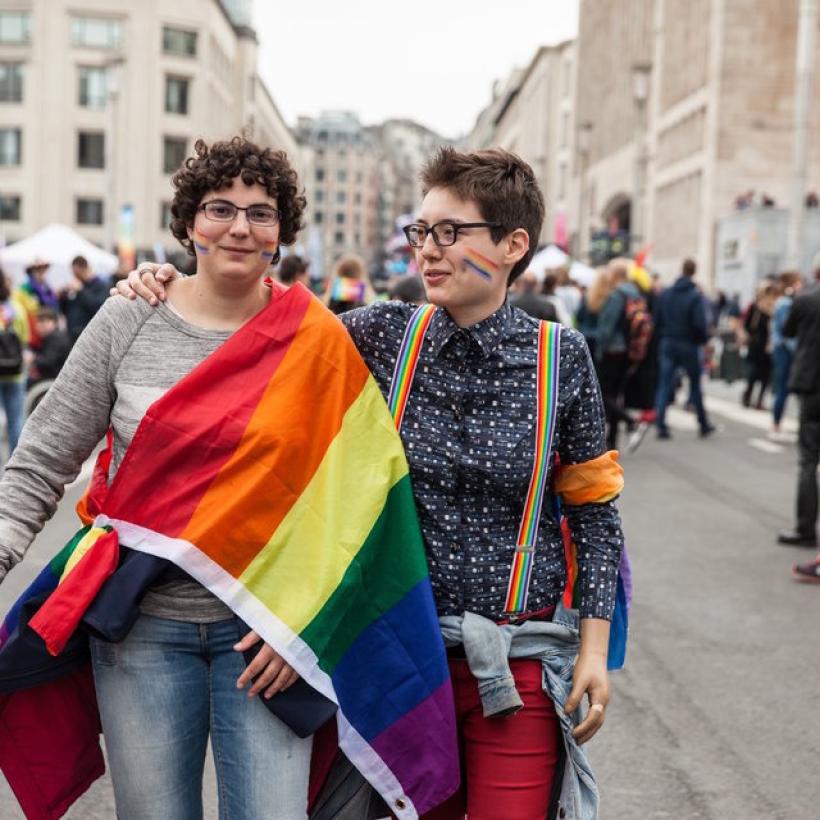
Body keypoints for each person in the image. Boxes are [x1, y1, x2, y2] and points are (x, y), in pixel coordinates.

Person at [118, 146, 627, 820]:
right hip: (401, 658)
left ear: (513, 244)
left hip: (517, 661)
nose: (428, 251)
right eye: (422, 232)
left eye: (451, 233)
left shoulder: (564, 359)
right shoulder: (383, 334)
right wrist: (167, 279)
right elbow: (260, 320)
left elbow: (595, 515)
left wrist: (594, 651)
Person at [0, 138, 318, 818]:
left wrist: (303, 625)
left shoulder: (314, 340)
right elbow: (43, 458)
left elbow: (340, 502)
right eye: (219, 208)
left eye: (261, 213)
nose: (239, 226)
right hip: (139, 631)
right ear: (188, 224)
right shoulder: (129, 317)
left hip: (264, 632)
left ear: (282, 234)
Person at [780, 254, 820, 554]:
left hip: (812, 383)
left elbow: (787, 331)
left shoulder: (805, 300)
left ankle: (805, 528)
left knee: (808, 459)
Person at [654, 258, 715, 439]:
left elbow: (656, 320)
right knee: (695, 384)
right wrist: (702, 340)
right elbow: (700, 324)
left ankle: (661, 423)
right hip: (688, 343)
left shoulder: (666, 294)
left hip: (668, 341)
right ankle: (702, 423)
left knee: (664, 384)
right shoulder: (695, 296)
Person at [595, 259, 639, 450]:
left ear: (615, 275)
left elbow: (607, 329)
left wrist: (598, 349)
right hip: (627, 350)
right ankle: (611, 439)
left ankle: (630, 420)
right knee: (615, 394)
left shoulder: (616, 296)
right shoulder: (635, 294)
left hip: (612, 350)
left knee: (604, 393)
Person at [0, 270, 28, 459]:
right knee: (16, 419)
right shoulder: (16, 308)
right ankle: (14, 464)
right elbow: (25, 337)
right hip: (15, 371)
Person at [770, 271, 802, 436]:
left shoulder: (784, 302)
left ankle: (778, 423)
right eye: (798, 282)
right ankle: (776, 423)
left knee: (786, 387)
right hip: (785, 350)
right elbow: (786, 332)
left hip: (784, 349)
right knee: (784, 387)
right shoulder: (784, 303)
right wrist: (798, 349)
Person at [741, 282, 776, 409]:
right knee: (754, 373)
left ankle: (760, 400)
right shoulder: (755, 307)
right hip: (756, 344)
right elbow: (747, 325)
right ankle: (747, 395)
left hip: (769, 345)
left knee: (766, 374)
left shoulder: (774, 308)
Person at [60, 255, 110, 343]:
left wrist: (81, 290)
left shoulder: (100, 285)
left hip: (90, 335)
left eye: (77, 273)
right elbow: (65, 310)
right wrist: (62, 296)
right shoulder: (75, 287)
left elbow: (98, 306)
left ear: (85, 268)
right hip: (72, 334)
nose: (75, 276)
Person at [14, 257, 59, 348]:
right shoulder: (24, 290)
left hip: (47, 334)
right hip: (31, 335)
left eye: (44, 269)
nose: (41, 272)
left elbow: (54, 307)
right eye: (38, 269)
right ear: (32, 271)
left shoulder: (48, 289)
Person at [28, 307, 71, 384]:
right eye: (39, 322)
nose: (41, 326)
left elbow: (48, 362)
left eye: (44, 322)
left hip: (55, 379)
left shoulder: (55, 338)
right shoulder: (54, 336)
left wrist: (33, 359)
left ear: (54, 323)